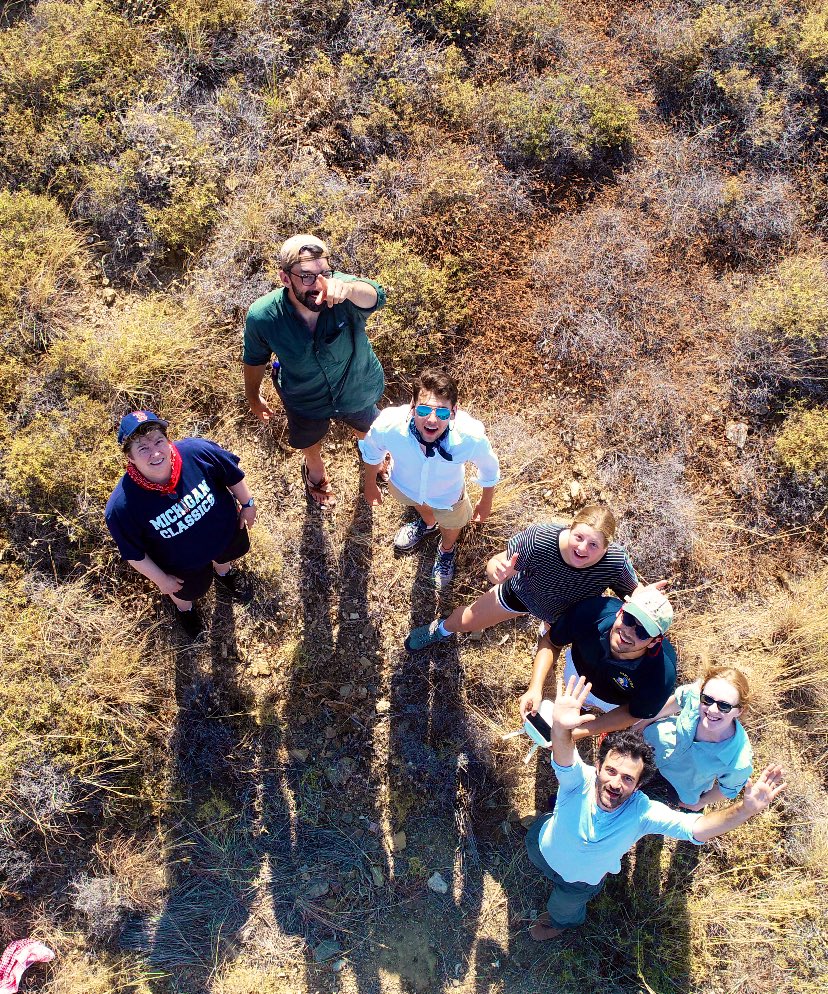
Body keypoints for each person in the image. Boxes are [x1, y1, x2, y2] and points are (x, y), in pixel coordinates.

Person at [525, 674, 786, 941]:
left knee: (563, 909)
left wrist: (744, 810)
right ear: (598, 767)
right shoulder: (577, 781)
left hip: (577, 884)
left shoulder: (643, 813)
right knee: (533, 844)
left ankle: (559, 923)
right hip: (540, 846)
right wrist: (559, 726)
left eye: (628, 779)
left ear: (639, 786)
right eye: (611, 771)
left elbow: (696, 827)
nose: (616, 784)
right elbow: (564, 753)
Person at [243, 234, 386, 509]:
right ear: (285, 278)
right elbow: (255, 358)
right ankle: (315, 468)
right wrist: (252, 396)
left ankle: (374, 456)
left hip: (355, 386)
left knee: (368, 428)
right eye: (306, 276)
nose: (318, 284)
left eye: (324, 273)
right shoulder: (263, 316)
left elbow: (375, 295)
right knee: (308, 437)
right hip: (304, 396)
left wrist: (349, 288)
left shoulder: (343, 290)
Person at [105, 411, 257, 637]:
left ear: (168, 440)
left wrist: (247, 503)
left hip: (225, 533)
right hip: (181, 565)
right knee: (185, 593)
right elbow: (133, 554)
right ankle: (185, 610)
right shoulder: (121, 506)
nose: (155, 453)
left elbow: (232, 473)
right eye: (143, 448)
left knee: (225, 557)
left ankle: (224, 575)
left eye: (158, 441)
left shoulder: (196, 452)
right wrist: (162, 580)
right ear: (130, 457)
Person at [404, 505, 640, 650]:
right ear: (570, 528)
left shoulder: (615, 563)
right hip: (521, 595)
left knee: (550, 648)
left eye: (593, 545)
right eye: (578, 537)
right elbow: (497, 563)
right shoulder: (540, 540)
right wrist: (496, 572)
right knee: (466, 622)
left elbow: (634, 593)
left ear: (606, 548)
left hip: (566, 615)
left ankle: (544, 634)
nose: (582, 548)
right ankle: (442, 629)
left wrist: (646, 599)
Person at [359, 368, 500, 587]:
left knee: (452, 524)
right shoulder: (390, 426)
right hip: (405, 486)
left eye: (442, 413)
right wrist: (369, 484)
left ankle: (446, 549)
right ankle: (428, 523)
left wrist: (486, 500)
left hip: (448, 497)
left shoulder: (469, 437)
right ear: (412, 407)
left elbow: (489, 468)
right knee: (418, 503)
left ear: (454, 411)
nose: (432, 420)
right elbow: (371, 451)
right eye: (424, 410)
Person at [519, 584, 677, 739]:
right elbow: (552, 642)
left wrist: (582, 731)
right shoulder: (592, 612)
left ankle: (597, 720)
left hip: (615, 702)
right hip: (576, 670)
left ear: (654, 642)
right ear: (620, 611)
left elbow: (633, 712)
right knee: (576, 693)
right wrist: (535, 687)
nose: (628, 632)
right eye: (629, 619)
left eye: (642, 632)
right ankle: (582, 706)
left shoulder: (662, 675)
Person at [636, 666, 753, 810]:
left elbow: (728, 789)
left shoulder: (738, 761)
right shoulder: (695, 694)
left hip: (681, 786)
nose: (712, 710)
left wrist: (701, 803)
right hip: (653, 746)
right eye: (707, 699)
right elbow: (677, 701)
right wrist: (642, 724)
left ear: (739, 710)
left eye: (724, 706)